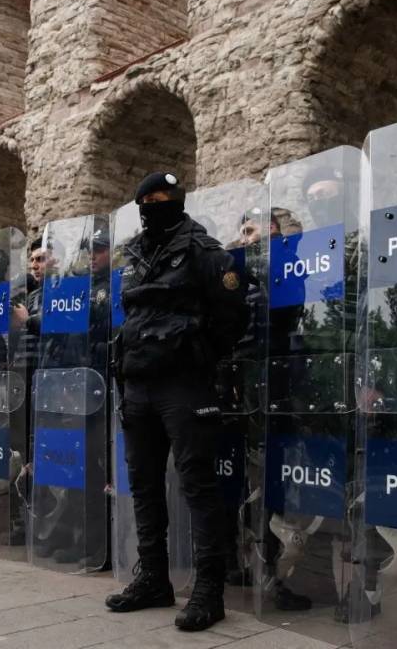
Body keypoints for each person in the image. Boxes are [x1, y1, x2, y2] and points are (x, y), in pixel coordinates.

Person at [105, 171, 248, 631]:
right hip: (138, 382)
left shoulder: (204, 251)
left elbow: (231, 317)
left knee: (197, 486)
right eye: (146, 198)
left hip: (184, 384)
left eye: (162, 196)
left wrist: (199, 356)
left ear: (178, 200)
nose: (154, 203)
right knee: (144, 486)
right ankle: (153, 579)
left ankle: (209, 589)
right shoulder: (135, 252)